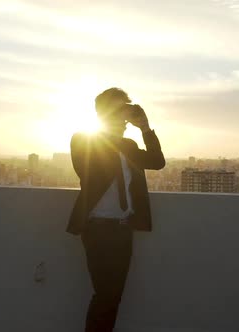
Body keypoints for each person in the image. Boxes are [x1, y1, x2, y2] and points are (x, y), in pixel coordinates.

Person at [66, 87, 165, 331]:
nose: (124, 119)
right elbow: (93, 171)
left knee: (114, 297)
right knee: (104, 294)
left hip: (123, 229)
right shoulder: (83, 139)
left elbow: (157, 162)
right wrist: (113, 127)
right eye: (118, 110)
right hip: (97, 229)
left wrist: (144, 128)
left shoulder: (128, 146)